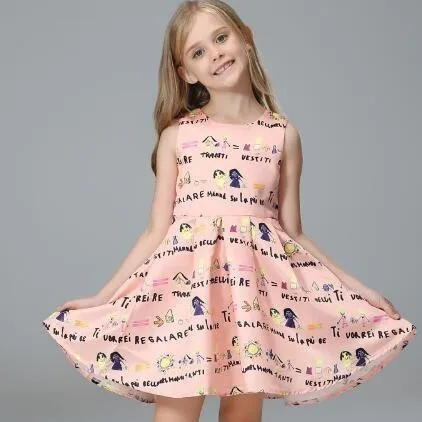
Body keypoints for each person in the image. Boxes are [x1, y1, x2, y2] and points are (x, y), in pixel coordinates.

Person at [42, 1, 417, 421]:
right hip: (185, 298)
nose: (216, 53)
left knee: (241, 414)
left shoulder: (282, 135)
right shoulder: (178, 137)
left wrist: (357, 289)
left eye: (221, 38)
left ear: (246, 39)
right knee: (176, 411)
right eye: (198, 51)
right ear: (187, 73)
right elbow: (155, 230)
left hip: (254, 300)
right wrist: (103, 297)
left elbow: (293, 233)